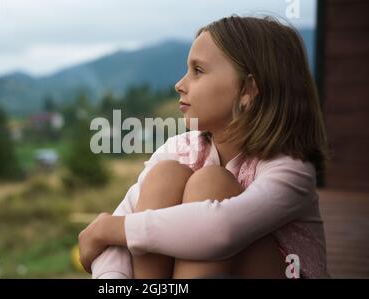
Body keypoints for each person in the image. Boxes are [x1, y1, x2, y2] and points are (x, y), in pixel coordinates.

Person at [78, 15, 330, 279]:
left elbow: (222, 230)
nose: (180, 85)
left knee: (212, 184)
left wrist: (111, 229)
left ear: (247, 90)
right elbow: (112, 240)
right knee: (166, 174)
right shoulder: (180, 149)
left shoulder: (290, 167)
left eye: (197, 71)